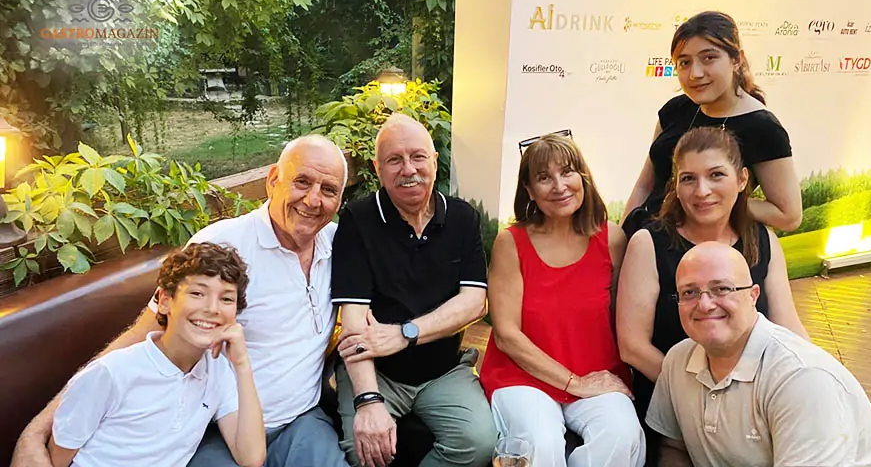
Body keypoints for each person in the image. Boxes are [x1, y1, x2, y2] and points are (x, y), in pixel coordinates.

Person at [14, 135, 351, 467]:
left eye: (328, 190)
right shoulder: (222, 244)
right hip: (220, 427)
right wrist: (36, 432)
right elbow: (139, 337)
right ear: (273, 179)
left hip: (302, 420)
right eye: (302, 182)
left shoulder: (341, 245)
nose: (313, 200)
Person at [616, 126, 808, 465]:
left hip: (754, 407)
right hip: (673, 406)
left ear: (742, 179)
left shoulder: (763, 241)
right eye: (688, 179)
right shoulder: (649, 243)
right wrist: (701, 394)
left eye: (716, 175)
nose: (702, 191)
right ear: (675, 186)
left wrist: (817, 376)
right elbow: (632, 346)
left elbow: (789, 326)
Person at [331, 113, 496, 467]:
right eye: (395, 160)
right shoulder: (358, 220)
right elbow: (355, 323)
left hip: (443, 371)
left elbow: (474, 303)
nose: (409, 169)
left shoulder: (462, 218)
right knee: (363, 454)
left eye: (418, 157)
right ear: (377, 169)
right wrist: (368, 401)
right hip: (378, 372)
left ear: (434, 161)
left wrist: (405, 334)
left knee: (478, 443)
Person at [647, 241, 871, 467]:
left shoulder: (802, 379)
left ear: (753, 295)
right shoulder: (678, 361)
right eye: (689, 292)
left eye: (721, 288)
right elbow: (674, 449)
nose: (705, 304)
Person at [479, 134, 645, 467]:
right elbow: (507, 336)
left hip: (598, 373)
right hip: (522, 377)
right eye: (544, 177)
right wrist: (574, 383)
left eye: (567, 172)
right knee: (539, 442)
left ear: (583, 177)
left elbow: (622, 319)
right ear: (529, 190)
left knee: (622, 435)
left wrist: (588, 382)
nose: (559, 186)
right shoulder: (511, 244)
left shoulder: (612, 239)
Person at [49, 243, 265, 467]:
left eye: (226, 299)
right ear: (164, 302)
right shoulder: (111, 372)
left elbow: (251, 458)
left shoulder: (217, 368)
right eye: (197, 293)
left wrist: (242, 364)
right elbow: (58, 457)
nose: (212, 308)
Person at [622, 11, 802, 238]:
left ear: (736, 59)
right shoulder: (675, 110)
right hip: (648, 238)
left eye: (708, 58)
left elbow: (788, 215)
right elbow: (644, 187)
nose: (695, 73)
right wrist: (623, 240)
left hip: (704, 249)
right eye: (684, 62)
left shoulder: (762, 127)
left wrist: (713, 200)